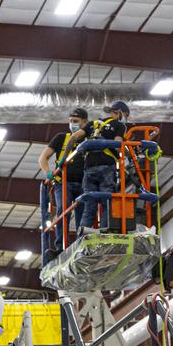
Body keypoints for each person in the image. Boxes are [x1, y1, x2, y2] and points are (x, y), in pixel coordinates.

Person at [38, 107, 92, 262]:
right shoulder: (62, 138)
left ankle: (83, 243)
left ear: (85, 122)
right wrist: (49, 173)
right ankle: (61, 245)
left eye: (76, 122)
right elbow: (43, 158)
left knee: (84, 212)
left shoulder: (90, 140)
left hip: (83, 183)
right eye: (70, 121)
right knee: (63, 209)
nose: (72, 124)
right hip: (63, 182)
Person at [77, 101, 129, 232]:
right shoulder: (119, 125)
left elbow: (74, 137)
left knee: (89, 204)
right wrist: (129, 152)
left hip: (88, 167)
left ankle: (83, 234)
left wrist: (62, 163)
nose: (125, 118)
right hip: (106, 166)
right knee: (107, 202)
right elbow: (118, 144)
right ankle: (105, 232)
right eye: (125, 115)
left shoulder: (92, 124)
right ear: (119, 113)